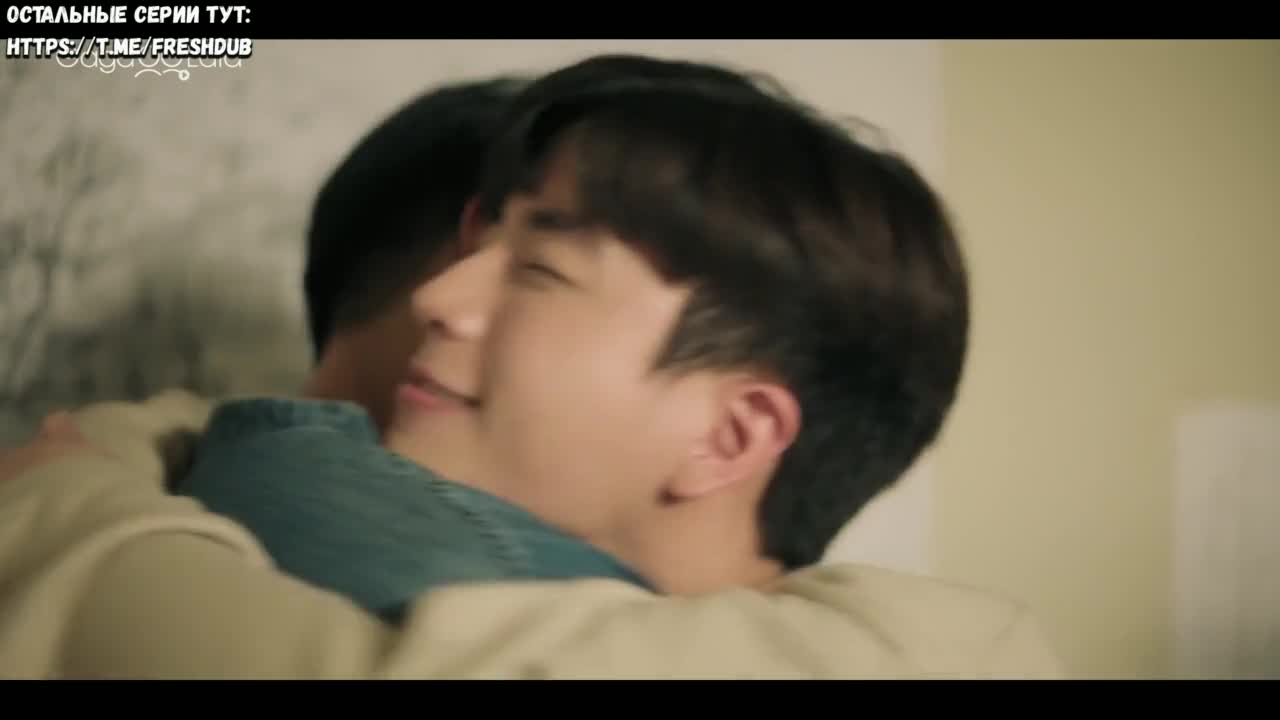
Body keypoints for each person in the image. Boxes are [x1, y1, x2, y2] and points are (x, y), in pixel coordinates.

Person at [0, 55, 1065, 679]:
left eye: (542, 270)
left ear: (729, 436)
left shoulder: (940, 655)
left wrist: (70, 504)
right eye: (480, 246)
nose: (440, 298)